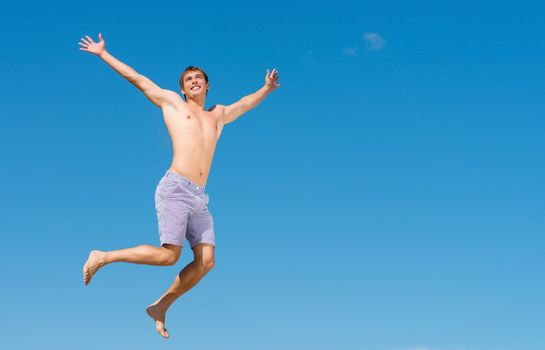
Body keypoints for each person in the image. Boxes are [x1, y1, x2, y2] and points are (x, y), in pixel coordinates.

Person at [79, 33, 280, 338]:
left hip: (199, 198)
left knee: (206, 262)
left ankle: (160, 306)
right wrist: (103, 54)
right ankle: (103, 256)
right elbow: (137, 79)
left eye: (199, 77)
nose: (194, 81)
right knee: (168, 256)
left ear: (207, 85)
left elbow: (245, 104)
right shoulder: (172, 104)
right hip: (175, 188)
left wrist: (265, 89)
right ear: (182, 88)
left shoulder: (218, 114)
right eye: (188, 79)